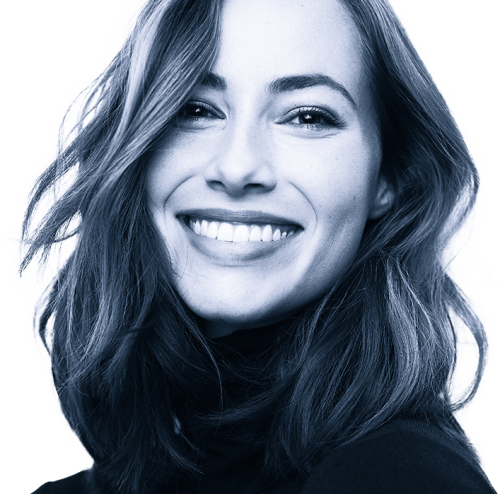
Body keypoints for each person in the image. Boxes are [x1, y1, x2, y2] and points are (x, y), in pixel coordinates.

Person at [8, 0, 495, 492]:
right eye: (194, 109)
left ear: (389, 175)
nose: (237, 167)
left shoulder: (403, 478)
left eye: (307, 117)